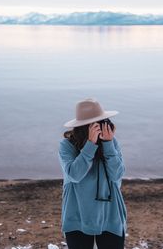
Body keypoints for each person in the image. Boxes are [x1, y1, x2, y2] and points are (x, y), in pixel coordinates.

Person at [58, 98, 127, 249]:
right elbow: (74, 175)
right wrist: (90, 145)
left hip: (109, 213)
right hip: (77, 213)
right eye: (96, 123)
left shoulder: (111, 142)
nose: (102, 126)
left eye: (103, 121)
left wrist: (108, 144)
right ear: (84, 127)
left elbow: (117, 175)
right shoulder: (67, 146)